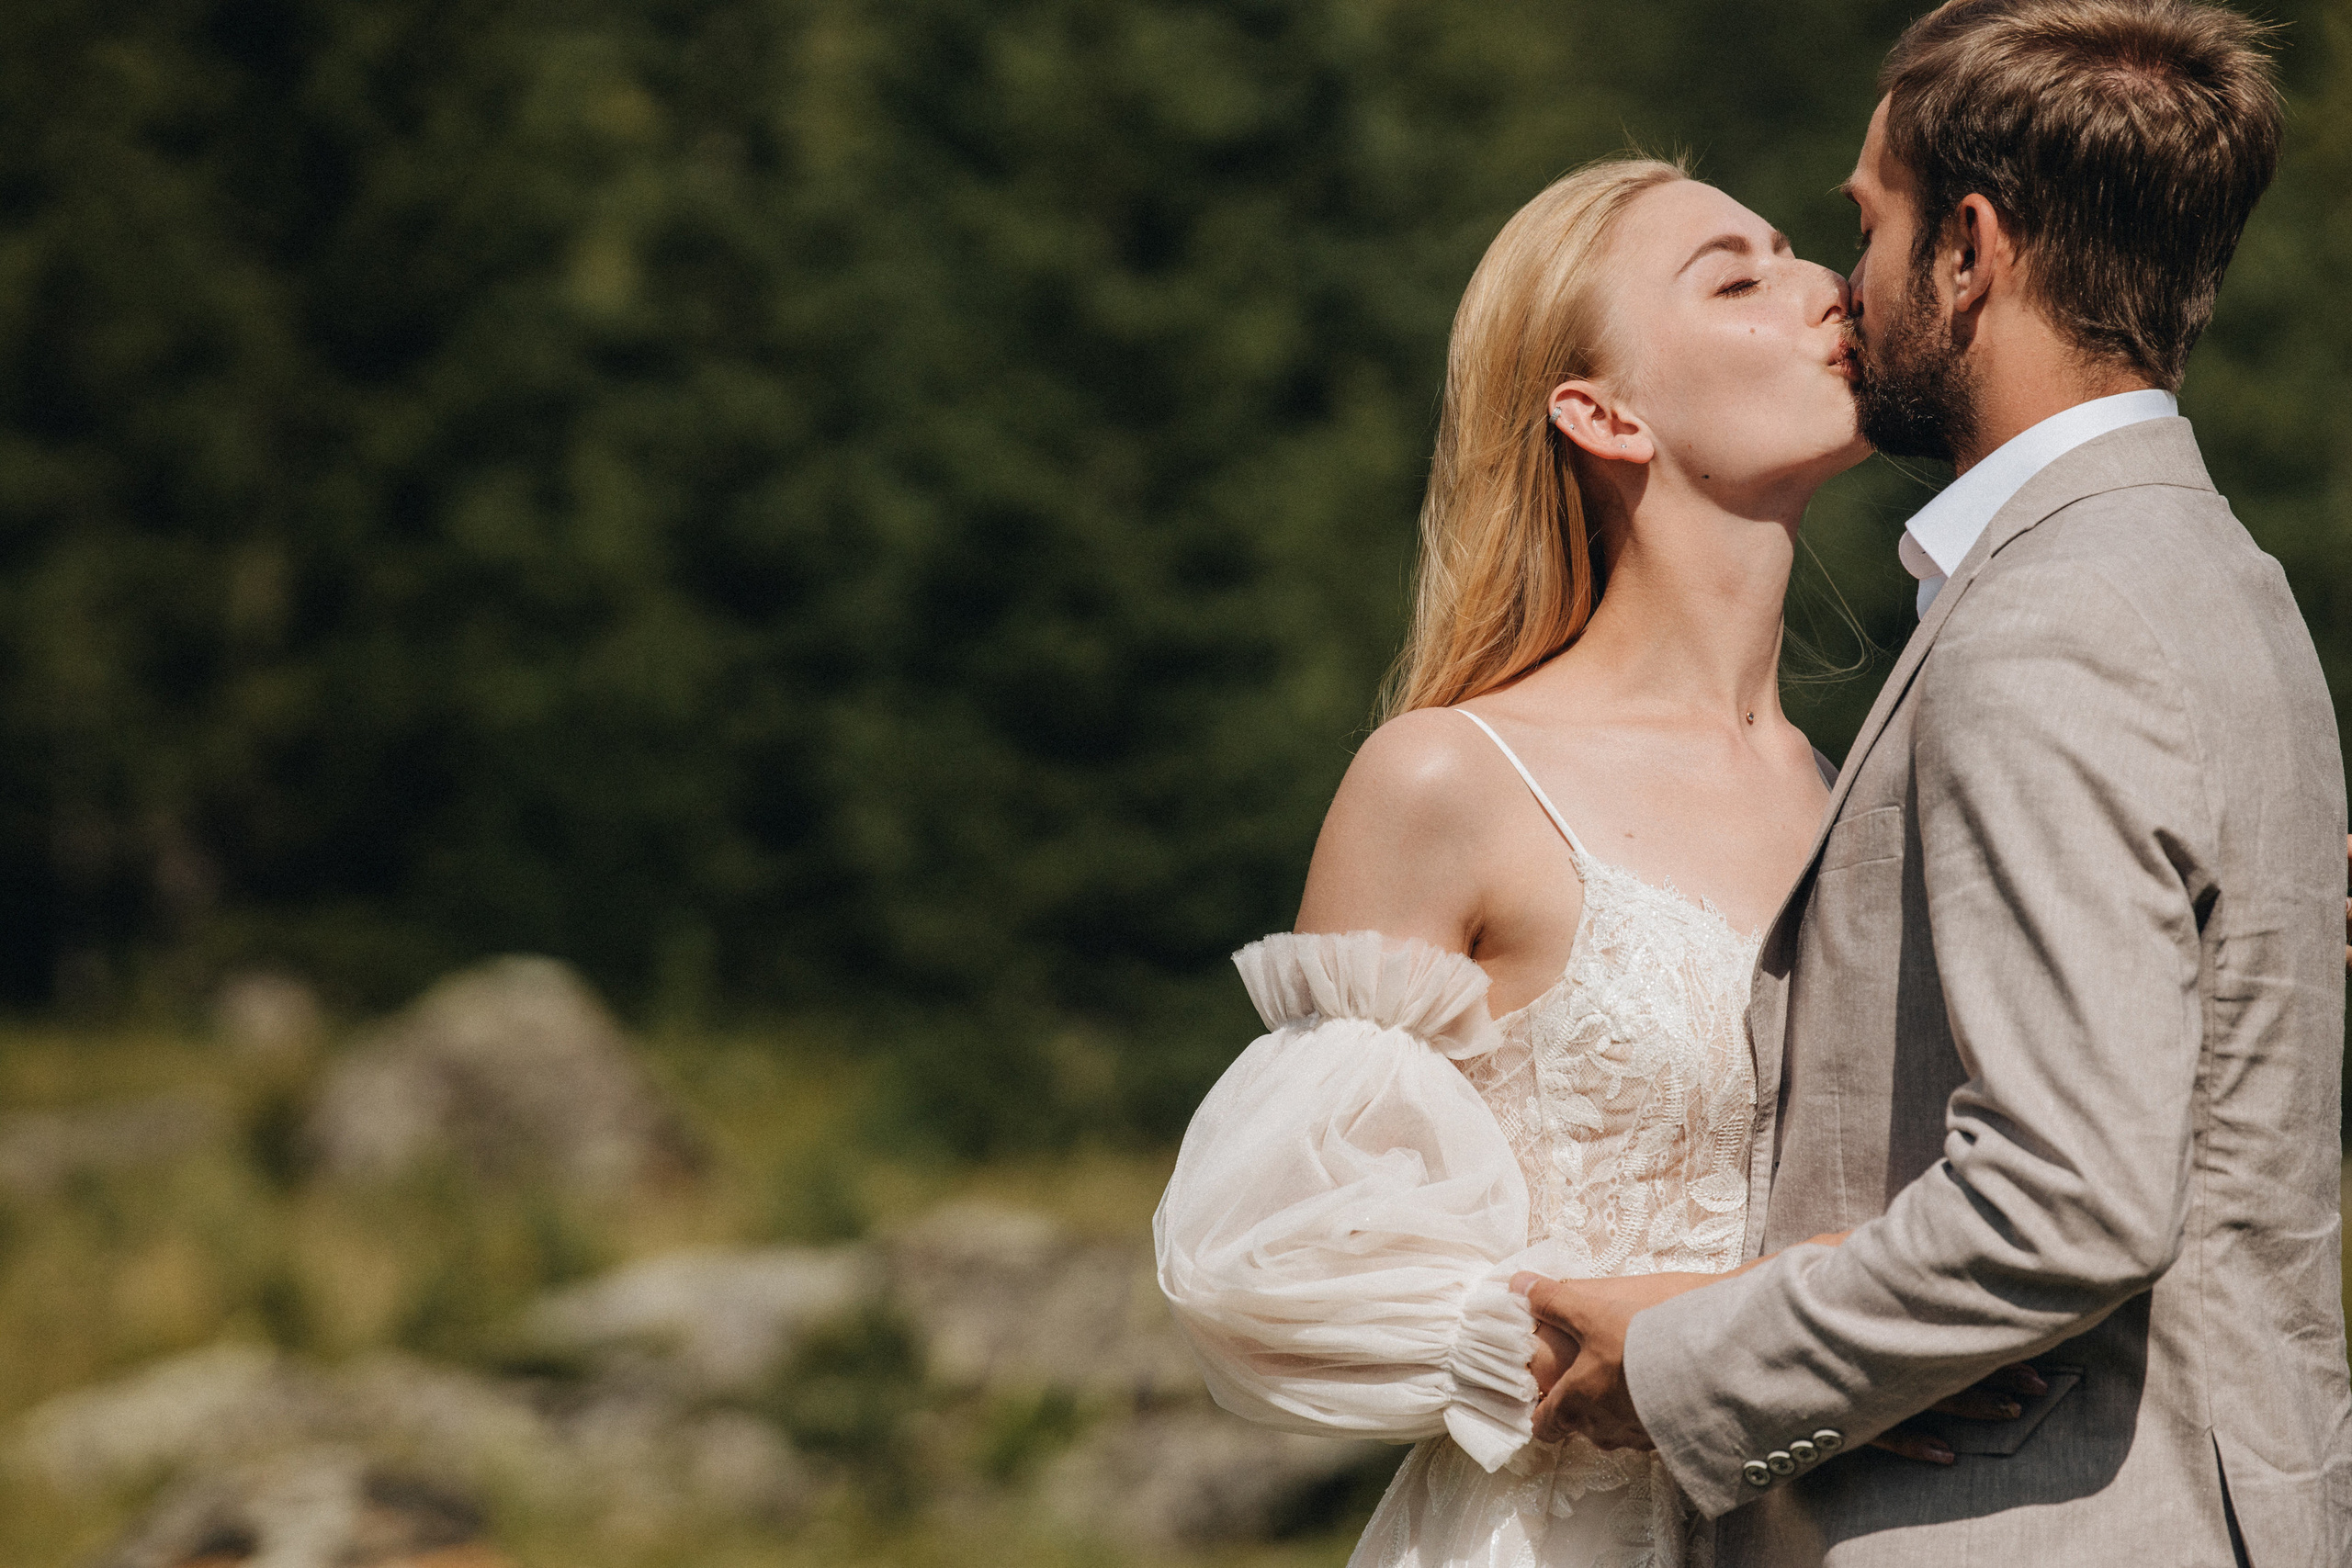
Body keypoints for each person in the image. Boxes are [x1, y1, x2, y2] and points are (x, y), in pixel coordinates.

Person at [1516, 3, 2351, 1564]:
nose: (1847, 287)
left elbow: (2073, 1199)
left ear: (1969, 250)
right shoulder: (2230, 588)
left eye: (1869, 223)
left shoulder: (2053, 622)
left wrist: (1696, 1364)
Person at [1155, 152, 1931, 1567]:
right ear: (1602, 412)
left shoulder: (1857, 794)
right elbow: (1264, 1272)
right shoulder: (1448, 777)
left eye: (1802, 251)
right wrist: (1695, 1342)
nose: (1826, 290)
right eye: (1736, 276)